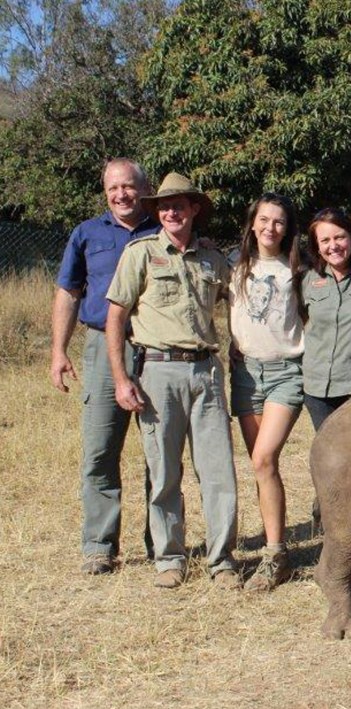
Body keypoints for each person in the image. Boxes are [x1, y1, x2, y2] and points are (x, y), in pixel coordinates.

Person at [105, 172, 239, 589]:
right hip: (158, 373)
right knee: (163, 472)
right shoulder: (140, 253)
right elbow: (116, 316)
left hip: (207, 372)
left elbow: (240, 301)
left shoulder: (214, 260)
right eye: (163, 206)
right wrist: (121, 377)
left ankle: (222, 562)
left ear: (194, 208)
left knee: (219, 473)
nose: (170, 212)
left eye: (178, 205)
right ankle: (170, 558)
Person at [51, 158, 161, 575]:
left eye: (129, 186)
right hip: (101, 348)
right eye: (113, 188)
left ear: (144, 187)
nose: (121, 195)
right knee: (99, 452)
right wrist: (58, 351)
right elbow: (69, 291)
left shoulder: (165, 227)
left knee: (160, 455)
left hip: (156, 348)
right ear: (105, 192)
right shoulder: (87, 233)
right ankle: (99, 545)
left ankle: (163, 545)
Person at [227, 193, 304, 592]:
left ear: (287, 228)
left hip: (286, 372)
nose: (270, 227)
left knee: (264, 457)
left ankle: (274, 554)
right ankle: (277, 547)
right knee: (261, 467)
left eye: (279, 221)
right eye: (264, 219)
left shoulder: (299, 269)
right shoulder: (233, 265)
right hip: (245, 373)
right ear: (252, 223)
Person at [300, 208, 351, 430]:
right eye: (325, 240)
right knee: (328, 455)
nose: (333, 245)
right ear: (317, 246)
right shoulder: (307, 279)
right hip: (317, 388)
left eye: (339, 237)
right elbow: (302, 319)